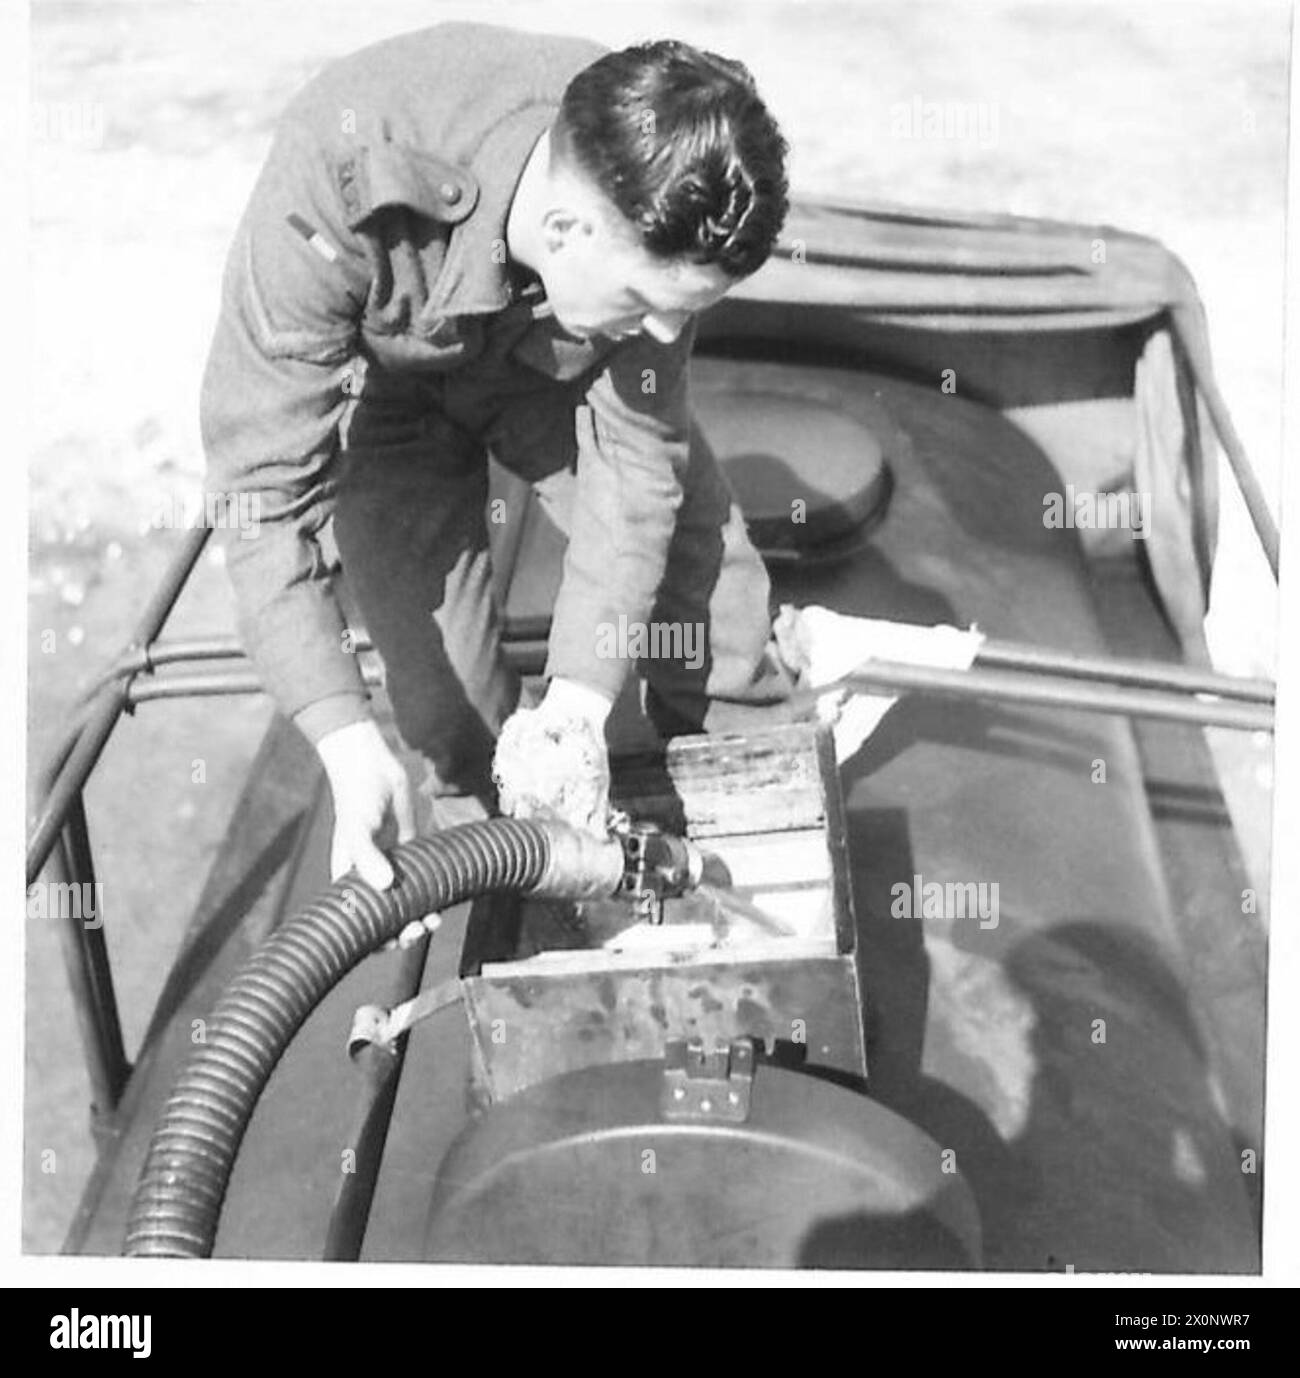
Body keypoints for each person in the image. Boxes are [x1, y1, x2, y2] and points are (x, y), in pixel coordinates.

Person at [202, 22, 800, 890]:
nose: (669, 333)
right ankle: (504, 881)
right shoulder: (331, 183)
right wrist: (341, 735)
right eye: (648, 301)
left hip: (545, 367)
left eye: (686, 308)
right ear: (564, 229)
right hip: (386, 392)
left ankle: (752, 827)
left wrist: (578, 703)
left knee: (711, 589)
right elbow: (258, 497)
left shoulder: (653, 185)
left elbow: (637, 467)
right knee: (445, 706)